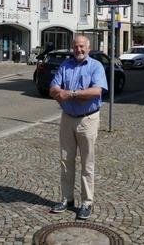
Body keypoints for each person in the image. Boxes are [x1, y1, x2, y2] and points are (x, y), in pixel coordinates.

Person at [49, 35, 107, 220]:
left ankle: (87, 202)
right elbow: (53, 89)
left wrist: (71, 93)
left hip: (88, 119)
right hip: (67, 118)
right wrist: (59, 94)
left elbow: (96, 91)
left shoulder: (95, 66)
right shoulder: (65, 65)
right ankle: (67, 198)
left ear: (88, 48)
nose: (79, 50)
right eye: (76, 47)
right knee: (66, 160)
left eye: (82, 46)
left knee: (87, 163)